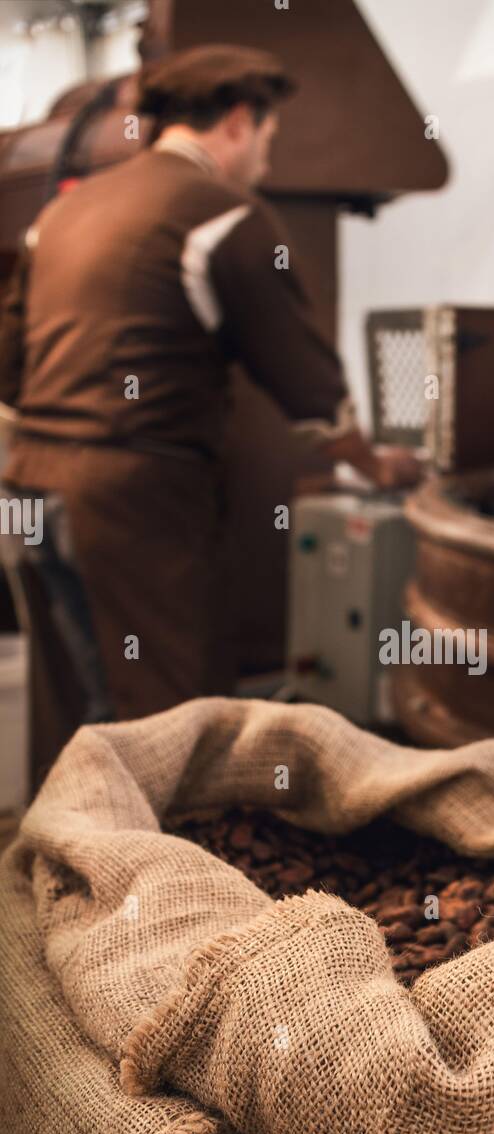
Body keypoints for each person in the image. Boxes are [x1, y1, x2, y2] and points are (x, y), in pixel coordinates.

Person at [0, 44, 417, 729]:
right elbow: (301, 373)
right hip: (130, 498)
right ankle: (169, 838)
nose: (266, 160)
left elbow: (10, 367)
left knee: (82, 705)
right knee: (172, 710)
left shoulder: (63, 213)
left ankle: (80, 834)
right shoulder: (221, 212)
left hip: (28, 487)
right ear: (237, 120)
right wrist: (373, 463)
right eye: (268, 137)